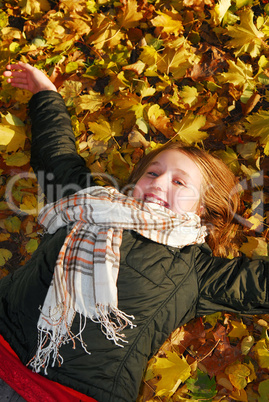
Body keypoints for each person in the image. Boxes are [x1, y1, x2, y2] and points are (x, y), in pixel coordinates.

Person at [0, 62, 268, 402]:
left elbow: (259, 285)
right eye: (153, 173)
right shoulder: (88, 201)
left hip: (67, 393)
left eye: (179, 181)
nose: (159, 183)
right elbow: (57, 155)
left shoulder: (196, 271)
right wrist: (46, 94)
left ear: (202, 207)